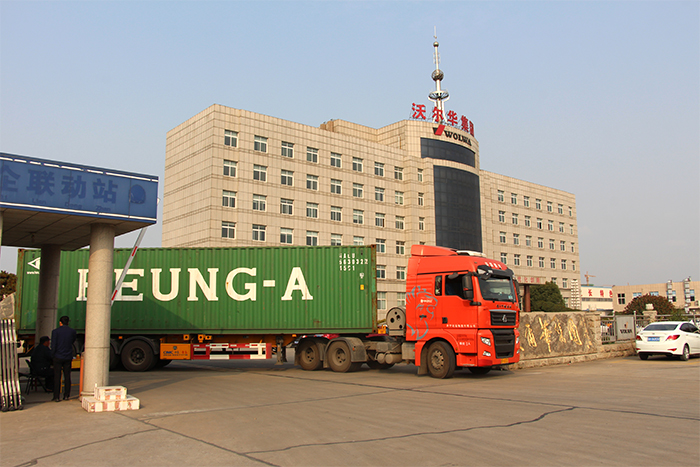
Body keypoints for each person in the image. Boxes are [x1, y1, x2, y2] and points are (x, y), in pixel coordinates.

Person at [51, 316, 76, 402]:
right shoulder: (72, 331)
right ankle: (66, 395)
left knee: (57, 377)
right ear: (68, 322)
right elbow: (72, 341)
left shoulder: (55, 332)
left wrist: (52, 355)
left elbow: (53, 345)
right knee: (67, 376)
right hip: (68, 356)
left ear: (60, 323)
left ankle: (56, 396)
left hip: (58, 356)